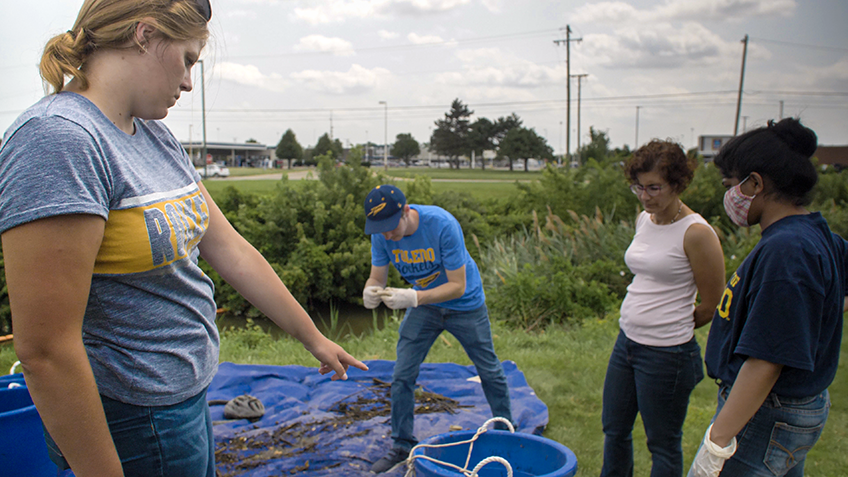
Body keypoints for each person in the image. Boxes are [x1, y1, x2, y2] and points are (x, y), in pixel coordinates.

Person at [0, 1, 367, 476]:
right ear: (144, 35)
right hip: (130, 414)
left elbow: (229, 248)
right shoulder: (58, 140)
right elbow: (45, 349)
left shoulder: (152, 132)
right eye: (189, 59)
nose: (191, 82)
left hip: (182, 397)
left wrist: (311, 336)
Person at [688, 118, 848, 477]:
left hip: (767, 410)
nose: (728, 195)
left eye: (731, 185)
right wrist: (813, 320)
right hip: (796, 405)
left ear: (755, 183)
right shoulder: (815, 233)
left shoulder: (786, 249)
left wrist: (717, 444)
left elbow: (764, 363)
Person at [362, 184, 513, 473]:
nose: (387, 235)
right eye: (380, 229)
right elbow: (376, 277)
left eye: (392, 227)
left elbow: (458, 286)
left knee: (489, 370)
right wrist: (371, 291)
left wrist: (413, 297)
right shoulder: (381, 235)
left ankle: (507, 434)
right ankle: (402, 444)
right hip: (424, 308)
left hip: (466, 305)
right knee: (402, 374)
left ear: (406, 211)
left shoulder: (442, 224)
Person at [601, 139, 726, 477]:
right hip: (626, 344)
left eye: (654, 187)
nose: (645, 196)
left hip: (667, 355)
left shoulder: (697, 233)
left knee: (663, 444)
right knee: (614, 430)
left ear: (677, 183)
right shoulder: (646, 219)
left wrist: (672, 326)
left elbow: (713, 304)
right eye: (638, 187)